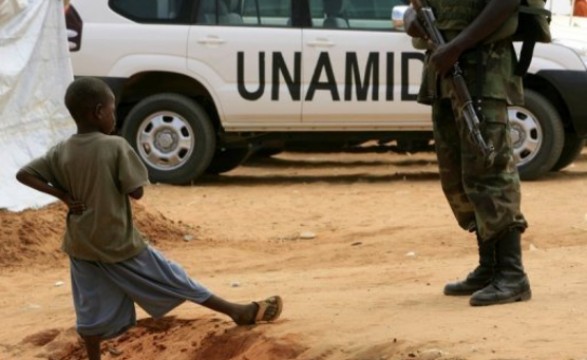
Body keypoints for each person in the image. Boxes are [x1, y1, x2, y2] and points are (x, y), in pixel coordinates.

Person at [16, 77, 283, 360]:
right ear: (98, 112)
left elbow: (24, 174)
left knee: (89, 304)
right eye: (112, 110)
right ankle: (236, 311)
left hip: (80, 243)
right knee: (173, 277)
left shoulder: (62, 150)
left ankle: (94, 357)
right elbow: (136, 192)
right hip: (117, 240)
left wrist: (63, 195)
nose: (114, 116)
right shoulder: (115, 146)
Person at [403, 0, 531, 306]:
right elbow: (412, 7)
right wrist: (412, 19)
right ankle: (489, 267)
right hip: (445, 71)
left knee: (490, 171)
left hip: (482, 68)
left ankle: (512, 275)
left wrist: (458, 45)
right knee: (459, 174)